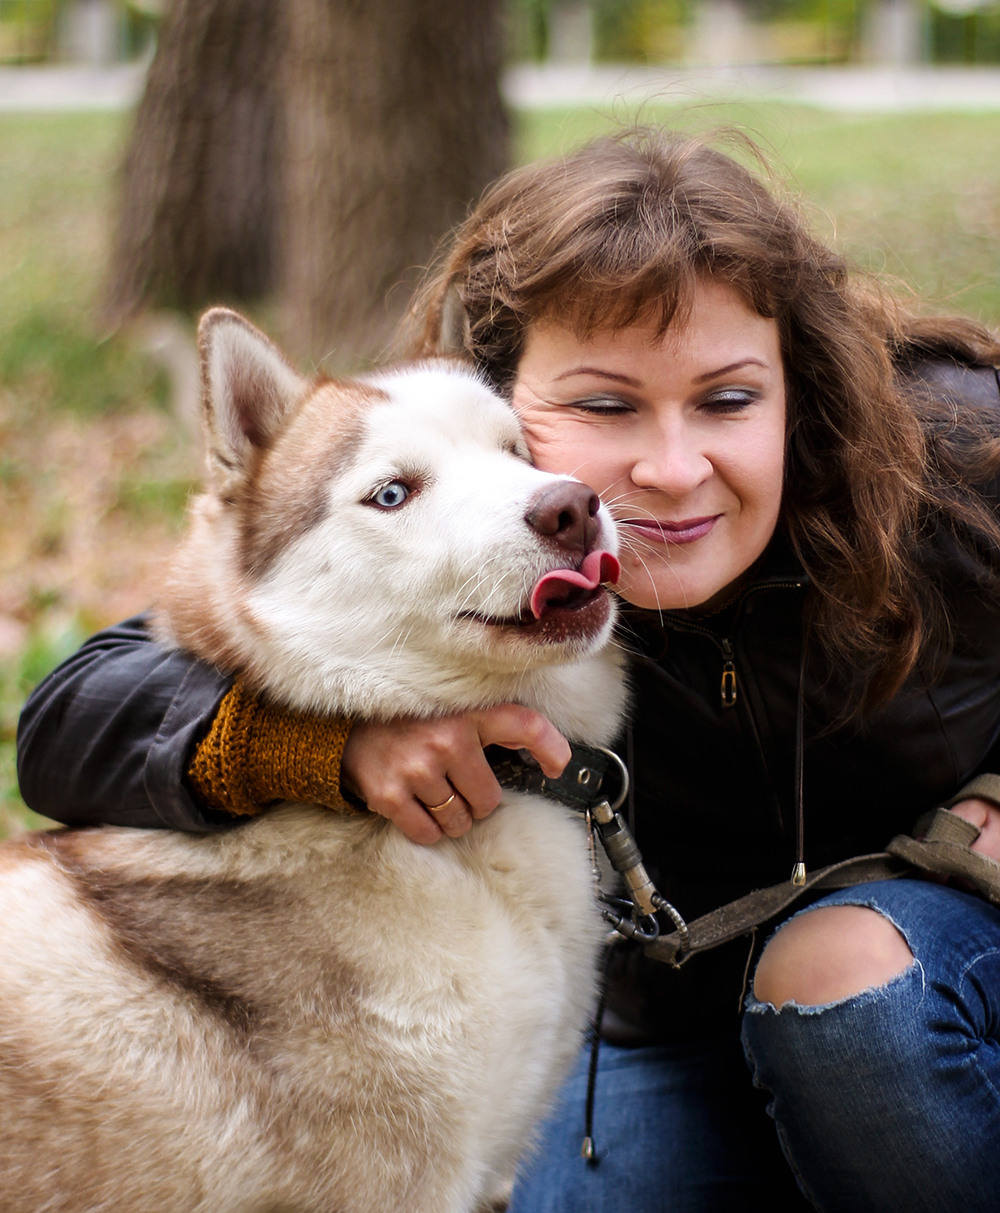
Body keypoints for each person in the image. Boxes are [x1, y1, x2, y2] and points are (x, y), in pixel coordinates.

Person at [17, 127, 1000, 1212]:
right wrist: (330, 748)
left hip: (927, 970)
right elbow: (77, 713)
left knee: (848, 996)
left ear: (796, 383)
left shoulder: (958, 459)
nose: (670, 474)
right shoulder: (501, 554)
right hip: (659, 1020)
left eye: (725, 399)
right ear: (496, 403)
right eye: (604, 405)